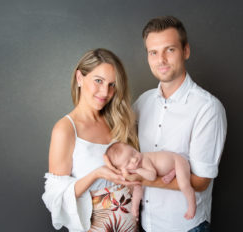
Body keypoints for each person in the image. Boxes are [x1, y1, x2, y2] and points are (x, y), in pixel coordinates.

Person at [133, 16, 227, 231]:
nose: (161, 60)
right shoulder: (142, 102)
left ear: (186, 51)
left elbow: (202, 181)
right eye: (153, 52)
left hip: (184, 226)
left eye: (170, 50)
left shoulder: (208, 108)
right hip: (145, 224)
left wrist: (139, 177)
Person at [42, 48, 140, 232]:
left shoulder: (117, 121)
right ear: (80, 78)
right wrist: (97, 174)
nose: (105, 92)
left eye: (112, 85)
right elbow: (55, 197)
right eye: (98, 81)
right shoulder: (65, 129)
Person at [104, 141, 196, 220]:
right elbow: (137, 188)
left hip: (177, 161)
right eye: (128, 162)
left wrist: (138, 170)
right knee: (137, 187)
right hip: (170, 167)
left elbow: (152, 176)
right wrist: (134, 207)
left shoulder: (144, 160)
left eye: (133, 152)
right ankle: (172, 173)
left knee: (183, 184)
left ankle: (192, 205)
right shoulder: (133, 168)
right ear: (122, 169)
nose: (134, 159)